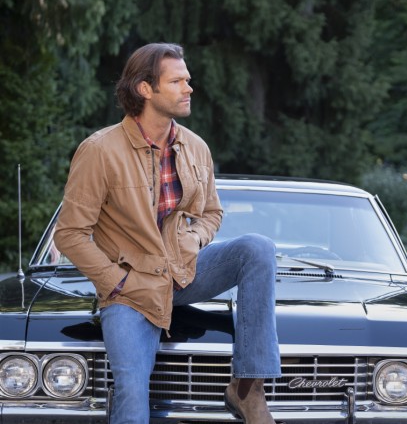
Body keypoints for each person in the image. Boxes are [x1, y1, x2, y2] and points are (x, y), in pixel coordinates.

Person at [54, 43, 280, 424]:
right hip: (131, 289)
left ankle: (248, 390)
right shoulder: (99, 151)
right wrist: (116, 282)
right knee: (131, 392)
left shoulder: (196, 148)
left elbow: (212, 213)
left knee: (257, 249)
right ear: (145, 89)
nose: (189, 88)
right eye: (177, 81)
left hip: (183, 272)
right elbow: (70, 234)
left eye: (187, 80)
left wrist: (195, 239)